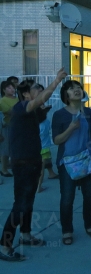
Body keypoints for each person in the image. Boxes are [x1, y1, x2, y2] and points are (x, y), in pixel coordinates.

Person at [0, 68, 67, 262]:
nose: (40, 90)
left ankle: (26, 235)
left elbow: (41, 107)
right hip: (23, 163)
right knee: (20, 204)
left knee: (27, 203)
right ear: (26, 94)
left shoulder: (31, 111)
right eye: (37, 88)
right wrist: (56, 82)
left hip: (31, 160)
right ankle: (5, 245)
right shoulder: (22, 107)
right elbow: (39, 101)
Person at [52, 80, 91, 246]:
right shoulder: (60, 115)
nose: (77, 90)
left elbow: (90, 136)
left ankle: (89, 225)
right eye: (71, 89)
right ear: (66, 95)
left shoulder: (88, 112)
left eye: (78, 87)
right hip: (67, 162)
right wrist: (71, 127)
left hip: (87, 160)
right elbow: (56, 140)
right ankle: (67, 230)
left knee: (90, 196)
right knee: (67, 198)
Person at [36, 89, 59, 193]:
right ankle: (38, 186)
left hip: (37, 148)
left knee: (39, 167)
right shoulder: (46, 122)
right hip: (44, 148)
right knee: (41, 170)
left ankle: (39, 183)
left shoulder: (35, 124)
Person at [0, 80, 19, 177]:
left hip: (18, 125)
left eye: (12, 87)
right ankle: (4, 169)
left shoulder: (17, 98)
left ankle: (12, 165)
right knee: (6, 148)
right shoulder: (2, 100)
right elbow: (9, 112)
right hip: (8, 126)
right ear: (3, 90)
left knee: (15, 147)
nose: (12, 89)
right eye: (9, 88)